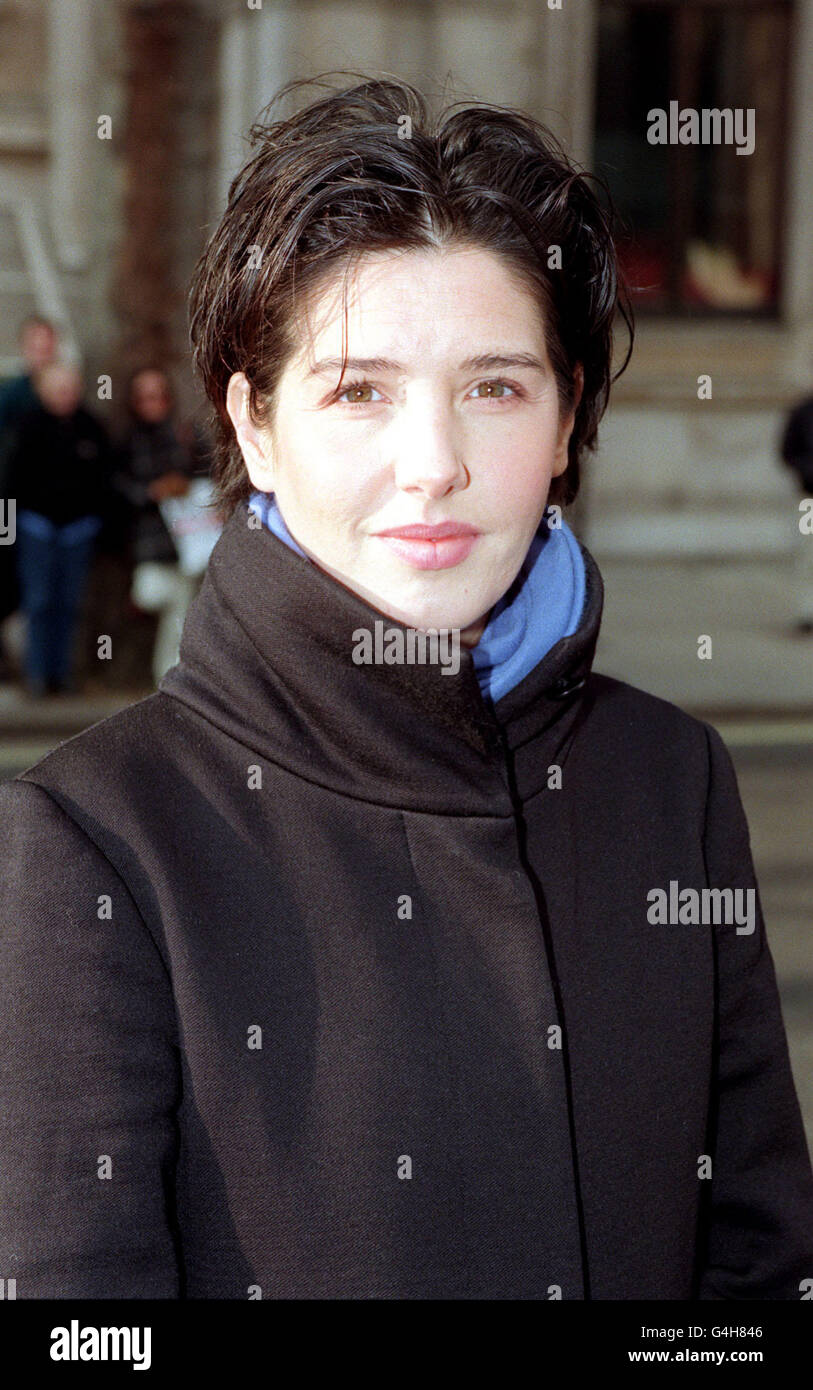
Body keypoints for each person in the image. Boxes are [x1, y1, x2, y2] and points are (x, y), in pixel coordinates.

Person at [0, 76, 811, 1300]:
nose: (433, 465)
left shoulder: (673, 781)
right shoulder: (96, 839)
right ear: (255, 425)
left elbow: (756, 1270)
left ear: (565, 418)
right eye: (359, 390)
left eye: (494, 387)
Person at [5, 361, 113, 696]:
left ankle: (63, 674)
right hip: (37, 528)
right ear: (44, 391)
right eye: (58, 389)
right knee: (39, 602)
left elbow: (104, 481)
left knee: (70, 604)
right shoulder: (28, 427)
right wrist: (7, 531)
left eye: (70, 389)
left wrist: (98, 524)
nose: (65, 396)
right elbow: (11, 482)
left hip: (77, 531)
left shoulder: (91, 427)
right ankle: (38, 674)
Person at [113, 366, 211, 685]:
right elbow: (115, 487)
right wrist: (150, 492)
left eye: (157, 395)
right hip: (149, 542)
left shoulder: (186, 434)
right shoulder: (128, 441)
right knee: (153, 594)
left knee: (180, 616)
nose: (151, 403)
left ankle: (168, 680)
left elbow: (213, 478)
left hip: (188, 541)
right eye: (144, 397)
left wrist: (184, 486)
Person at [0, 316, 59, 680]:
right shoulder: (12, 396)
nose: (42, 352)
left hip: (49, 513)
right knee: (8, 576)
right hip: (9, 506)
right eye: (36, 344)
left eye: (47, 344)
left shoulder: (63, 394)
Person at [779, 392, 813, 633]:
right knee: (807, 556)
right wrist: (806, 469)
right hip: (809, 497)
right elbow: (787, 452)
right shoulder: (802, 412)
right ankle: (807, 611)